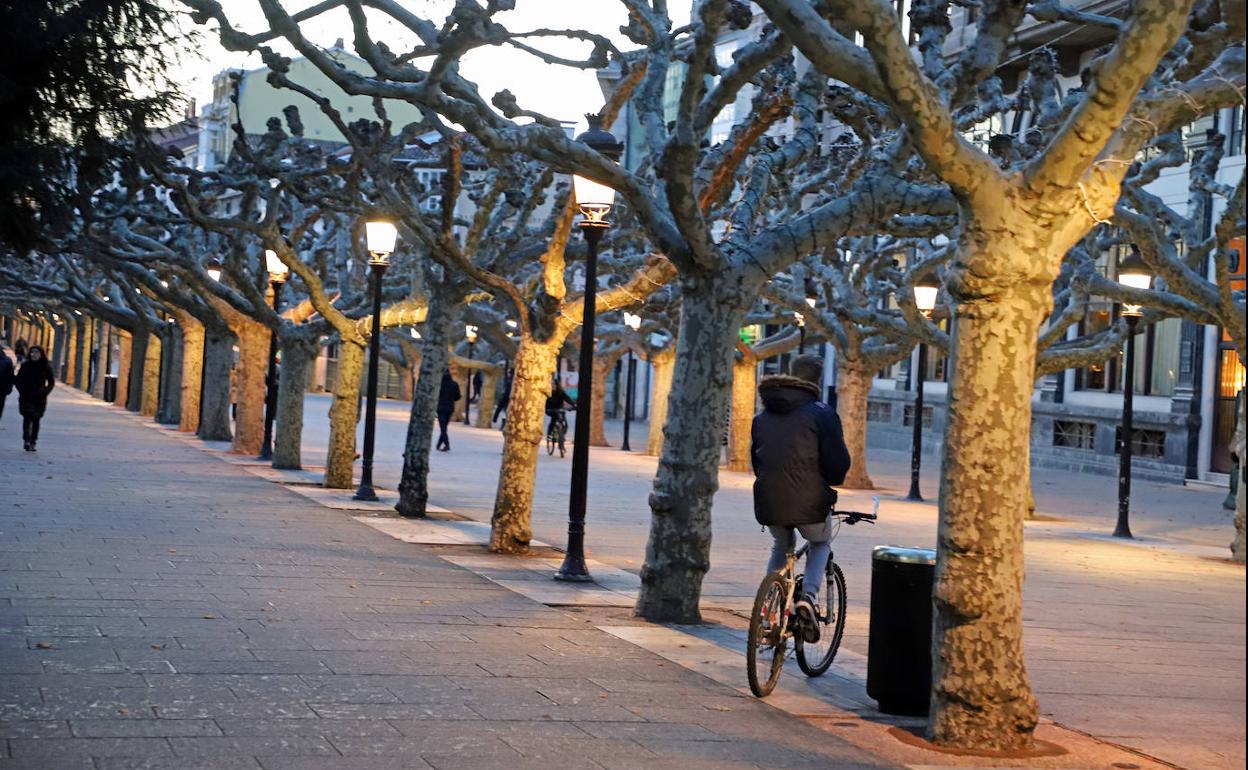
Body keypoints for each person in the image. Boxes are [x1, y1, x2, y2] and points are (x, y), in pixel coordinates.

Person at [750, 354, 850, 642]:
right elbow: (836, 463)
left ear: (790, 373)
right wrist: (832, 481)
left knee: (781, 544)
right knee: (819, 543)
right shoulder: (822, 413)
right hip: (810, 500)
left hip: (769, 497)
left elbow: (757, 462)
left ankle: (769, 609)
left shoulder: (763, 415)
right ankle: (808, 598)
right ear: (818, 379)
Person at [15, 345, 55, 452]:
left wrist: (45, 392)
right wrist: (22, 390)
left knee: (36, 419)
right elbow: (18, 380)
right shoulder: (25, 366)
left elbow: (51, 382)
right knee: (27, 418)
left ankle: (33, 441)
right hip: (26, 396)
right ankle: (26, 440)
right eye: (32, 352)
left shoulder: (45, 367)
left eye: (37, 352)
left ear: (41, 354)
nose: (34, 354)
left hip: (39, 397)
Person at [435, 368, 461, 452]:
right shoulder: (454, 384)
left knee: (443, 427)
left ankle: (447, 444)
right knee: (444, 427)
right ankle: (439, 444)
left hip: (440, 408)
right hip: (450, 408)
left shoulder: (439, 384)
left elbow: (435, 395)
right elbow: (458, 396)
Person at [0, 348, 14, 423]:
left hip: (1, 392)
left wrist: (8, 389)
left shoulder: (7, 361)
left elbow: (10, 377)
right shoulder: (7, 361)